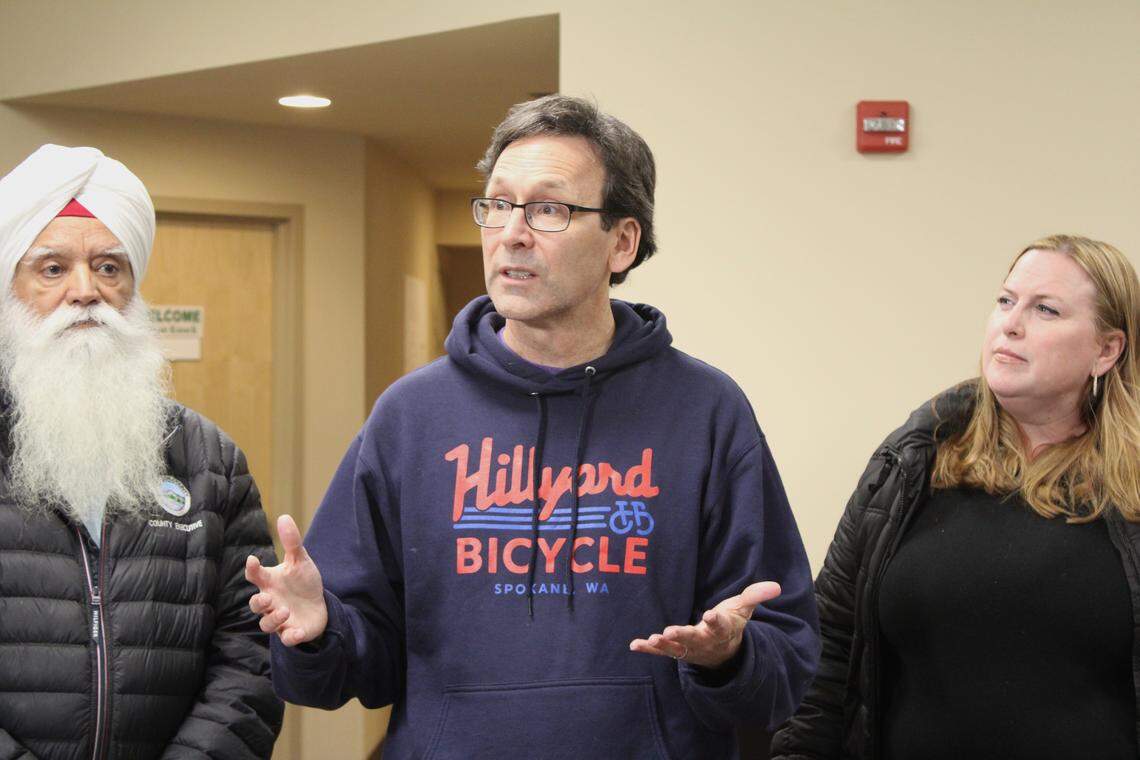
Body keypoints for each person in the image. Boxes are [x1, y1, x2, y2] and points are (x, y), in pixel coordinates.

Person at [249, 95, 819, 758]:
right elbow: (355, 665)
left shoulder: (708, 411)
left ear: (622, 242)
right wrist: (319, 632)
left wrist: (730, 656)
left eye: (548, 209)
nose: (512, 233)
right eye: (496, 205)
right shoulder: (410, 417)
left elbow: (786, 665)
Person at [772, 234, 1140, 759]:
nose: (1011, 323)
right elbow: (831, 640)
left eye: (1047, 310)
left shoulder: (1131, 487)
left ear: (1107, 350)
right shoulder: (914, 459)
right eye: (1006, 301)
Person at [0, 145, 283, 760]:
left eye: (109, 267)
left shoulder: (210, 460)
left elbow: (250, 650)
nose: (86, 292)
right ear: (10, 288)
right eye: (52, 270)